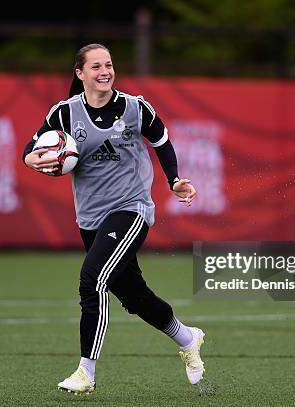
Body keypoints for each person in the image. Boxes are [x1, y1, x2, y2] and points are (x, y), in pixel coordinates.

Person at [23, 43, 205, 394]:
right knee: (134, 296)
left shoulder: (136, 108)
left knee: (92, 280)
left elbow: (162, 142)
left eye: (108, 65)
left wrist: (174, 181)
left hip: (131, 209)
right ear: (80, 74)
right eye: (96, 67)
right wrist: (33, 160)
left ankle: (85, 372)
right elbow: (30, 152)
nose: (105, 71)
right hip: (90, 219)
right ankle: (188, 338)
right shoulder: (64, 114)